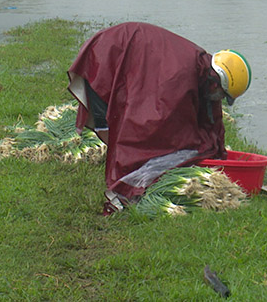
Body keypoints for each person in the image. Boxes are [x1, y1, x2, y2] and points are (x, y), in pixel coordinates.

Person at [67, 22, 251, 214]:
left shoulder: (202, 68)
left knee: (125, 137)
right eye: (222, 95)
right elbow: (151, 123)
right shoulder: (182, 77)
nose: (219, 99)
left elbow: (207, 116)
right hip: (106, 56)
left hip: (125, 49)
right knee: (119, 133)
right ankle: (123, 189)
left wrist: (215, 151)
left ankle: (127, 178)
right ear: (217, 81)